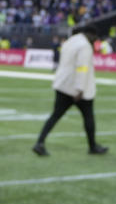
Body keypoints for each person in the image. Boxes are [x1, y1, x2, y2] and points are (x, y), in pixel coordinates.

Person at [32, 26, 108, 156]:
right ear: (91, 34)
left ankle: (40, 142)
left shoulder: (71, 41)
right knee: (88, 117)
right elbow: (82, 68)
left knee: (55, 115)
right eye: (94, 37)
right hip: (77, 89)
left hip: (63, 84)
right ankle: (92, 146)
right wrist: (80, 89)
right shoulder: (85, 46)